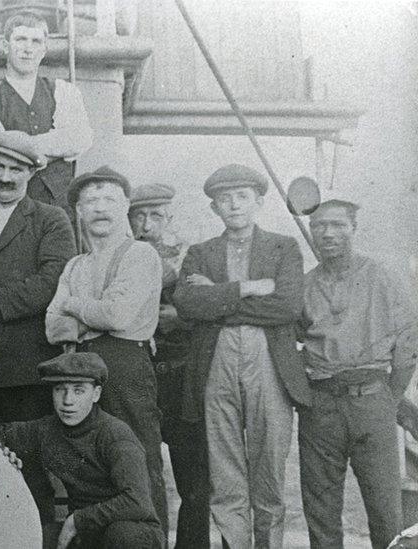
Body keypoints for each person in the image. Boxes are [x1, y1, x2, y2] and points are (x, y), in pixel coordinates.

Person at [173, 164, 311, 549]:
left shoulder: (283, 247)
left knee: (269, 470)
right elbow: (186, 303)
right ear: (214, 207)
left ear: (259, 202)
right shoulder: (200, 253)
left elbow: (287, 307)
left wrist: (218, 296)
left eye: (242, 197)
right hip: (216, 364)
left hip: (269, 363)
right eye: (224, 199)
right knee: (225, 473)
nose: (233, 205)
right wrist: (248, 288)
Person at [45, 168, 168, 536]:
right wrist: (94, 315)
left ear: (126, 207)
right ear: (79, 211)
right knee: (92, 463)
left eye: (110, 200)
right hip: (82, 373)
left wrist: (75, 307)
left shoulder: (140, 254)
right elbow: (52, 327)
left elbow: (118, 315)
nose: (100, 209)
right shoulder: (75, 264)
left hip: (126, 369)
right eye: (91, 201)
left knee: (138, 464)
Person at [297, 199, 418, 548]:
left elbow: (408, 342)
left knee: (385, 513)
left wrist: (387, 399)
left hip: (372, 402)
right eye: (320, 225)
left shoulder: (380, 276)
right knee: (321, 513)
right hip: (320, 407)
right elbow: (290, 341)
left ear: (354, 228)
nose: (328, 233)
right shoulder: (305, 285)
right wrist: (307, 397)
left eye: (338, 225)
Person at [0, 130, 76, 425]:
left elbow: (54, 280)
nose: (5, 177)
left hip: (27, 367)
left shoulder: (51, 219)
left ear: (32, 173)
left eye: (16, 169)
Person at [0, 352, 165, 549]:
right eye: (60, 389)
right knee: (31, 538)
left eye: (79, 391)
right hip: (86, 532)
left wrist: (76, 520)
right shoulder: (47, 429)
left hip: (132, 532)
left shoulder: (115, 434)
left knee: (122, 535)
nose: (68, 401)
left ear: (96, 394)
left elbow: (136, 501)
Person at [128, 183, 210, 548]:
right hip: (138, 374)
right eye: (139, 216)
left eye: (155, 215)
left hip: (181, 377)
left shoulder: (189, 257)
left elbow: (205, 309)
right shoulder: (123, 255)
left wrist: (182, 315)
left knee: (194, 480)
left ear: (170, 218)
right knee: (144, 475)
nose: (147, 224)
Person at [0, 10, 93, 213]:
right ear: (5, 46)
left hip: (62, 212)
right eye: (20, 39)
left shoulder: (63, 90)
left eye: (36, 41)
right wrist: (57, 146)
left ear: (44, 50)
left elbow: (80, 139)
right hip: (13, 212)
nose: (28, 49)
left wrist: (19, 148)